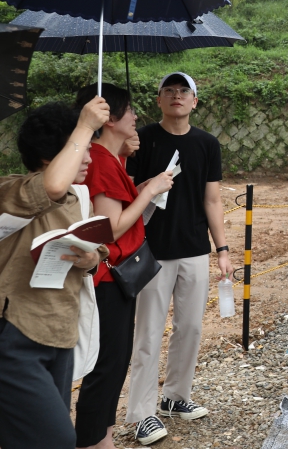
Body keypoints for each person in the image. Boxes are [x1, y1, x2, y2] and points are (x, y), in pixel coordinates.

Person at [125, 73, 231, 446]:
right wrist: (148, 180)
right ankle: (141, 414)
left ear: (194, 102)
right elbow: (126, 197)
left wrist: (222, 250)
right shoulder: (142, 141)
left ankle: (175, 396)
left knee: (191, 329)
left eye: (184, 91)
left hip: (194, 250)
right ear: (158, 100)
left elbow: (212, 200)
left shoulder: (207, 144)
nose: (176, 96)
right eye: (168, 91)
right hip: (150, 250)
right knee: (149, 332)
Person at [0, 99, 109, 449]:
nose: (89, 158)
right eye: (82, 150)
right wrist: (85, 124)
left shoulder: (78, 198)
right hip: (16, 336)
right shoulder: (11, 191)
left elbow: (96, 251)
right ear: (51, 157)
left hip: (61, 334)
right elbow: (50, 188)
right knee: (58, 439)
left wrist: (89, 260)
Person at [74, 85, 175, 449]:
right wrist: (149, 192)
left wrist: (142, 185)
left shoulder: (110, 158)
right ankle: (90, 441)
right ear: (111, 118)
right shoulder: (99, 159)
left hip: (117, 276)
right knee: (106, 364)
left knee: (116, 360)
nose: (135, 117)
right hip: (106, 277)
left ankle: (105, 437)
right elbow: (110, 226)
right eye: (130, 110)